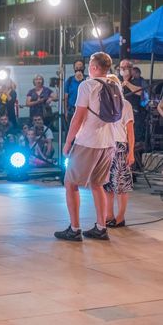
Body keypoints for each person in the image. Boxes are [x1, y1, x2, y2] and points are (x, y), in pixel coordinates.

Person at [55, 52, 120, 242]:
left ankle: (74, 229)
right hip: (108, 142)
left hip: (88, 142)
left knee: (70, 183)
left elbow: (78, 117)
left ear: (94, 67)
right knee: (97, 184)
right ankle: (101, 227)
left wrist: (68, 142)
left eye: (90, 63)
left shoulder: (87, 85)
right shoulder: (114, 84)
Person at [104, 74, 135, 228]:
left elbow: (130, 131)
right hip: (105, 146)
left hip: (119, 146)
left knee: (120, 185)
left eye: (111, 83)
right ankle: (108, 215)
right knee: (107, 184)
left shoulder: (125, 104)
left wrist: (131, 152)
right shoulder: (103, 104)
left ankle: (120, 217)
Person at [119, 60, 146, 142]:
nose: (123, 69)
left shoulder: (137, 80)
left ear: (131, 69)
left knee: (133, 135)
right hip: (119, 112)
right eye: (121, 67)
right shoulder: (117, 79)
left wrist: (127, 84)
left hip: (134, 111)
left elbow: (140, 92)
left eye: (125, 67)